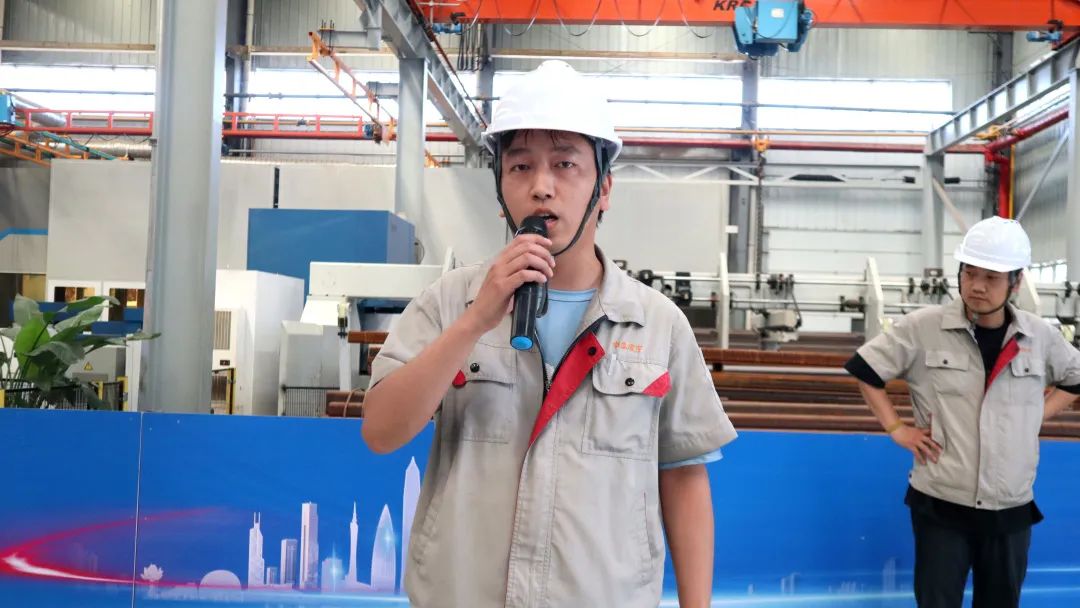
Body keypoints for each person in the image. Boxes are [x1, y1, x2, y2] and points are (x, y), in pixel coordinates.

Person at [361, 60, 736, 607]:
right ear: (499, 189)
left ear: (603, 188)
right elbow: (381, 432)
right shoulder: (449, 303)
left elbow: (683, 477)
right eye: (520, 166)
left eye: (566, 165)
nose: (542, 187)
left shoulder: (657, 325)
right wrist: (475, 321)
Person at [845, 216, 1080, 607]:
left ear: (1016, 282)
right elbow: (865, 371)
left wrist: (1035, 414)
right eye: (969, 273)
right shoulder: (923, 328)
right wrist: (896, 428)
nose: (977, 286)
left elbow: (1075, 378)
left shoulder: (1039, 337)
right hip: (941, 502)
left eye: (991, 277)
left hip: (1010, 505)